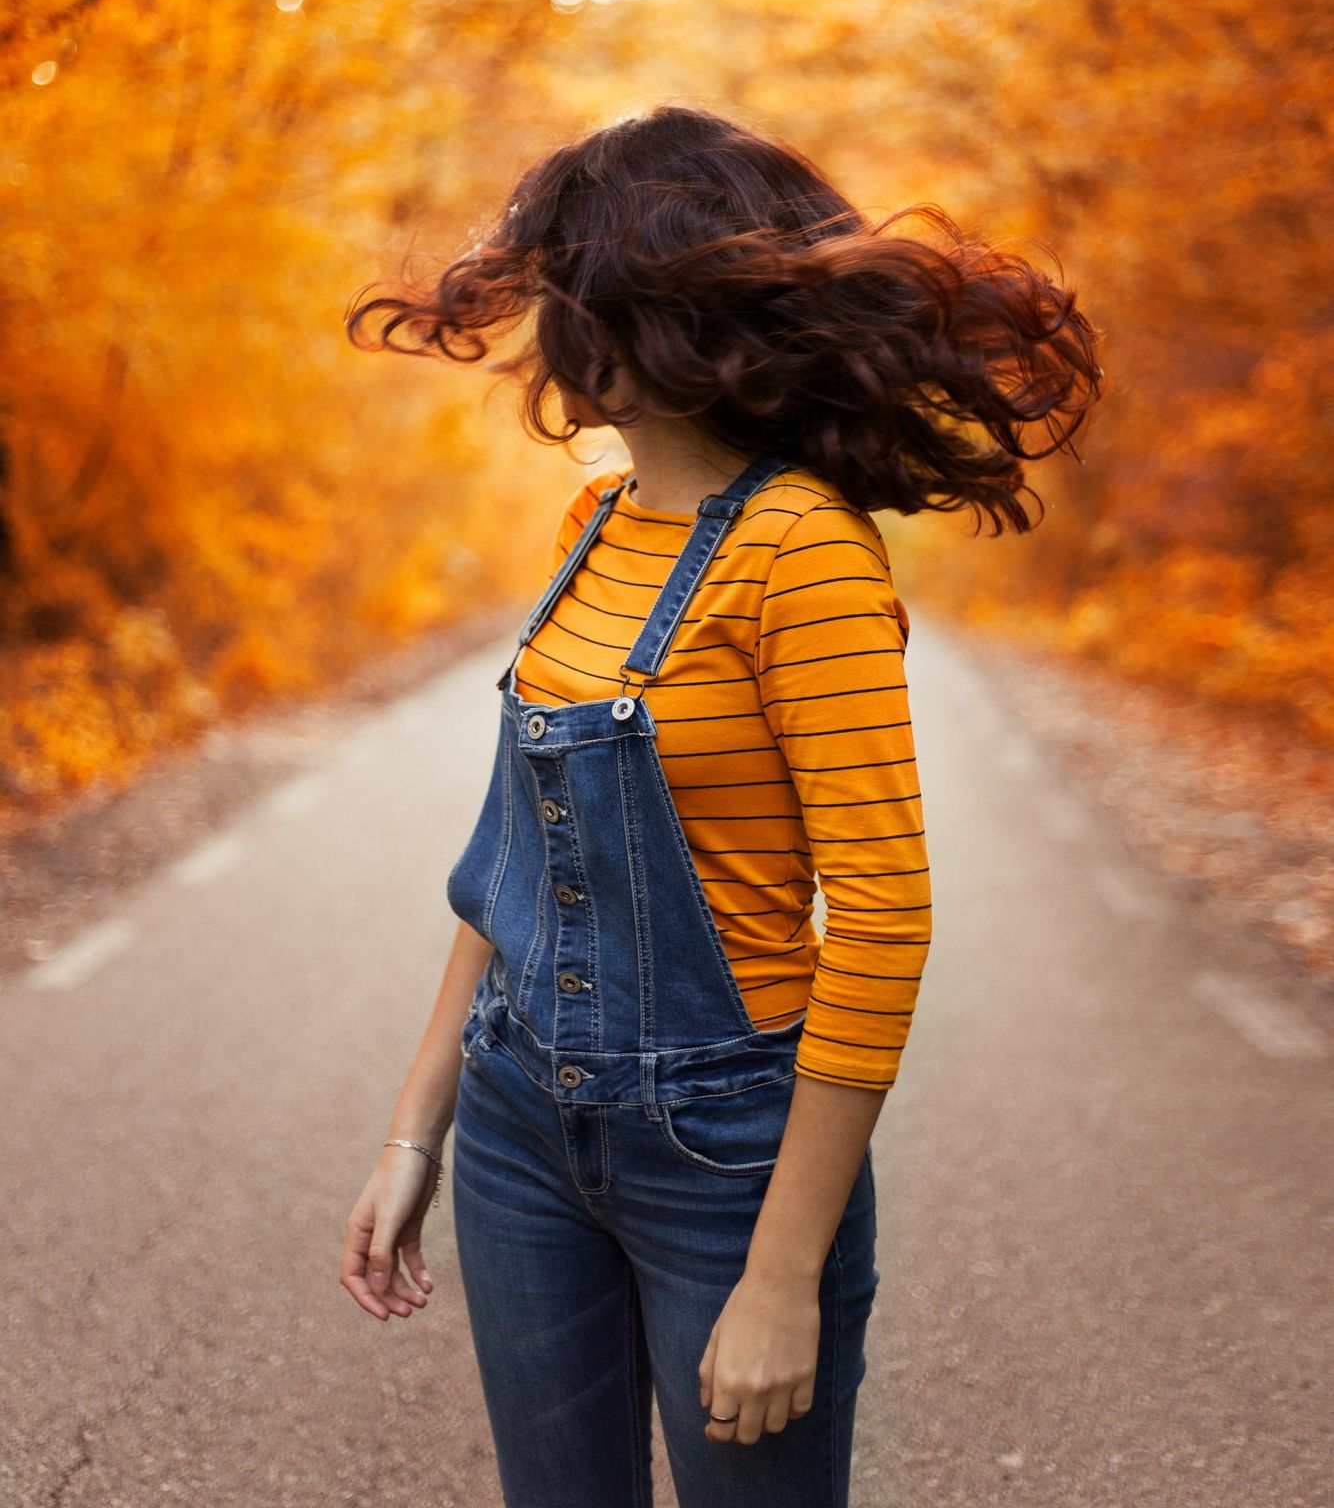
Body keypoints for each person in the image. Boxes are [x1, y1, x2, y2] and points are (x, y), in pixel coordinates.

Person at [339, 105, 1103, 1507]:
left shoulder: (802, 553)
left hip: (720, 1149)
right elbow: (514, 859)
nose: (545, 325)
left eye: (565, 283)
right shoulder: (597, 526)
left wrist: (781, 1277)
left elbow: (880, 923)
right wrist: (418, 1129)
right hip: (519, 1120)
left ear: (651, 307)